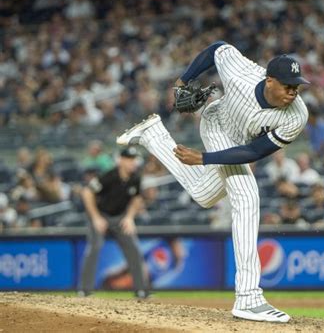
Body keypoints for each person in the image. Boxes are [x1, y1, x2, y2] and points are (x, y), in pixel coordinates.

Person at [117, 41, 310, 322]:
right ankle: (248, 297)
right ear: (270, 80)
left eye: (297, 87)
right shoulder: (241, 73)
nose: (293, 93)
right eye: (288, 86)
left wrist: (205, 159)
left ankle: (152, 135)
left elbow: (255, 152)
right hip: (217, 123)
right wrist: (183, 80)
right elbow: (218, 48)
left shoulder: (297, 115)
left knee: (204, 194)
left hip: (239, 145)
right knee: (247, 195)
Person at [78, 146, 149, 299]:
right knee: (94, 248)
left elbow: (136, 198)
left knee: (134, 250)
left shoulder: (136, 178)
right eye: (129, 159)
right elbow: (86, 192)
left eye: (134, 159)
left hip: (119, 218)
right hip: (101, 215)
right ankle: (85, 291)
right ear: (121, 160)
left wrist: (130, 217)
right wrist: (96, 218)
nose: (133, 163)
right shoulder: (109, 176)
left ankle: (141, 291)